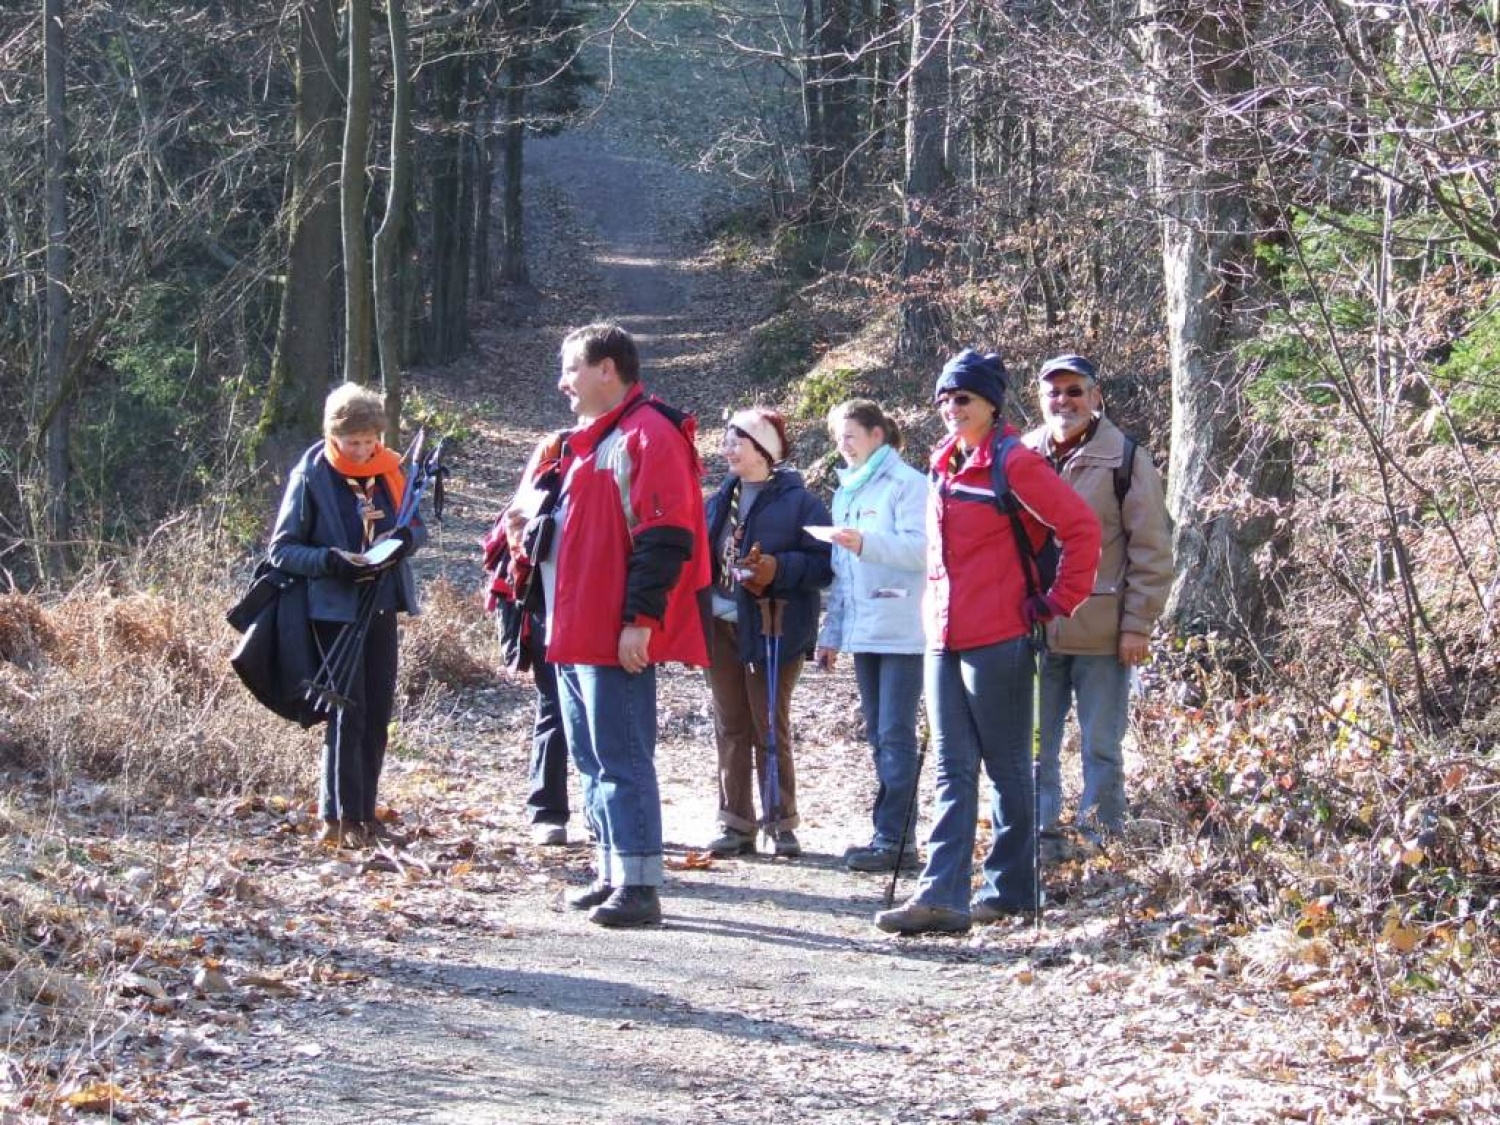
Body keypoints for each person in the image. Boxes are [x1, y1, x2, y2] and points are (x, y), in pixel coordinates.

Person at [875, 349, 1100, 935]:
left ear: (991, 404)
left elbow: (1081, 529)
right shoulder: (943, 463)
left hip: (1000, 636)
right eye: (945, 399)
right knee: (952, 766)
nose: (952, 408)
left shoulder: (1015, 464)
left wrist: (1057, 601)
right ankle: (943, 897)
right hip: (943, 636)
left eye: (964, 399)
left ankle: (1011, 889)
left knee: (1005, 768)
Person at [526, 323, 711, 928]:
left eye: (572, 369)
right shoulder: (587, 442)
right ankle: (609, 869)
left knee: (623, 756)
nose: (563, 383)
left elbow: (666, 537)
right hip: (575, 631)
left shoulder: (647, 434)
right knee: (590, 756)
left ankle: (638, 884)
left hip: (613, 632)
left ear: (608, 369)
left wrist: (641, 621)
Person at [1022, 354, 1173, 842]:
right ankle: (1038, 834)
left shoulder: (1127, 459)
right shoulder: (1022, 456)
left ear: (1095, 397)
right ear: (1040, 399)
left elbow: (1151, 549)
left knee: (1101, 745)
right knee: (1035, 744)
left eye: (1074, 391)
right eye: (1054, 392)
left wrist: (1137, 626)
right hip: (1034, 627)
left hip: (1103, 631)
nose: (1063, 401)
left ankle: (1101, 838)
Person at [268, 383, 425, 849]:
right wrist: (334, 561)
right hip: (333, 612)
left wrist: (400, 544)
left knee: (377, 711)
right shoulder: (312, 474)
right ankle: (338, 819)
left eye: (369, 441)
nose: (361, 451)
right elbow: (282, 551)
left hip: (381, 601)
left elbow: (415, 526)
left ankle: (366, 814)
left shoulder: (393, 468)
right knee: (346, 713)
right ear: (333, 436)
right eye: (352, 442)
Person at [703, 408, 832, 858]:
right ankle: (736, 823)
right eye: (727, 440)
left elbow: (823, 566)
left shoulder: (802, 503)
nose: (728, 449)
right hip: (720, 627)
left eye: (737, 440)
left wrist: (778, 568)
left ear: (764, 450)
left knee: (768, 724)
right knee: (730, 724)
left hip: (774, 626)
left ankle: (781, 822)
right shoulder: (721, 499)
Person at [813, 400, 928, 873]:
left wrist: (865, 542)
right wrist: (832, 632)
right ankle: (888, 834)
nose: (842, 446)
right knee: (879, 736)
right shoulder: (847, 493)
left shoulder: (910, 484)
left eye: (849, 436)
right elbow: (842, 573)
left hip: (903, 628)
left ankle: (898, 839)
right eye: (838, 437)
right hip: (865, 631)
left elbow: (923, 550)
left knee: (895, 733)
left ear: (877, 435)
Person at [485, 431, 576, 848]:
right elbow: (516, 539)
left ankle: (597, 813)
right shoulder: (548, 465)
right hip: (543, 606)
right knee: (554, 706)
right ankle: (547, 810)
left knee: (593, 713)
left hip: (592, 608)